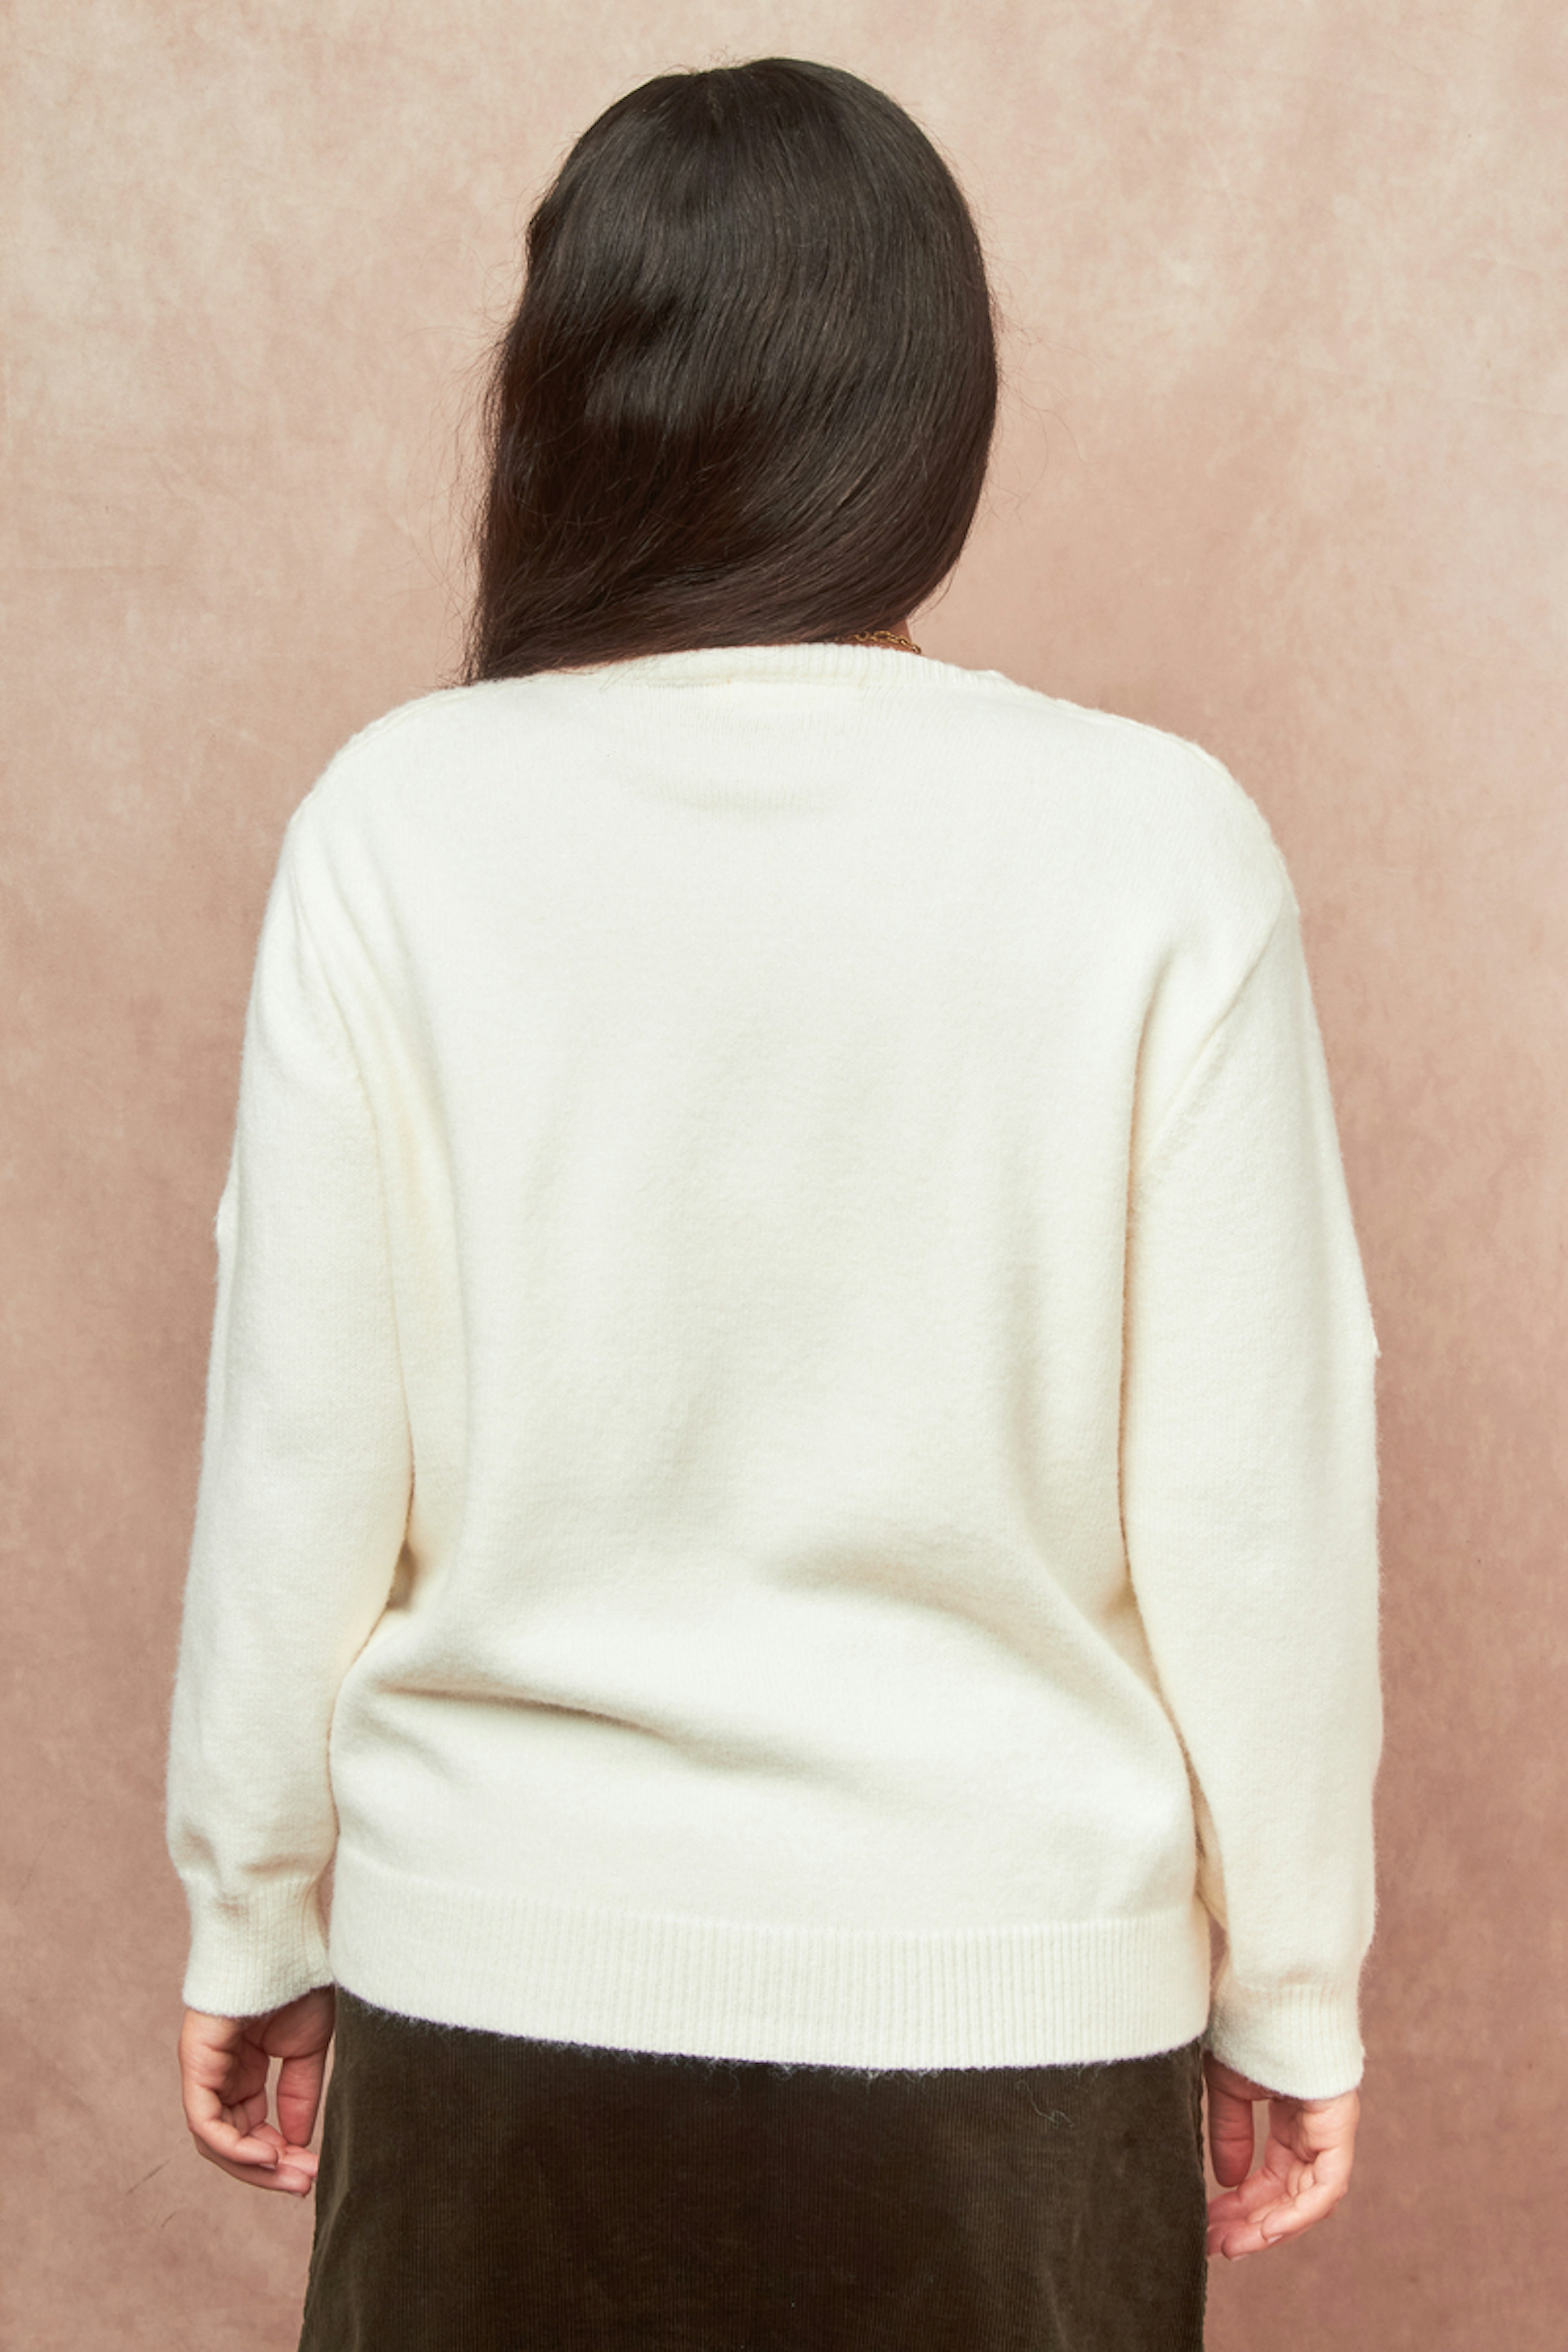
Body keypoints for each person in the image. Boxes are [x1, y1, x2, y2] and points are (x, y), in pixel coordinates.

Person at [166, 55, 1381, 2352]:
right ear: (934, 409)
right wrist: (1293, 1980)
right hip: (1016, 2023)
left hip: (494, 1988)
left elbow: (300, 1445)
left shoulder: (400, 824)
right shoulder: (1158, 847)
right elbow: (1257, 1493)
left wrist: (255, 1910)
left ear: (571, 397)